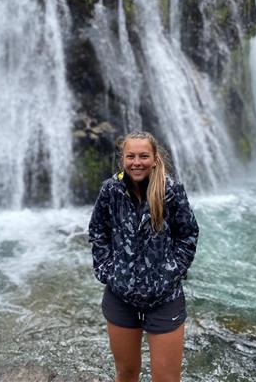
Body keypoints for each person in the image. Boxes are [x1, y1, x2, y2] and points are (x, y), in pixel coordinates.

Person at [88, 131, 199, 382]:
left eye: (143, 156)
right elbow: (97, 231)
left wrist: (172, 272)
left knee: (167, 379)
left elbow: (188, 234)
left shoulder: (171, 190)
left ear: (155, 158)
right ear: (122, 159)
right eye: (131, 156)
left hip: (164, 297)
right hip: (120, 297)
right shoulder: (110, 190)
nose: (136, 162)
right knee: (126, 373)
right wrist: (108, 272)